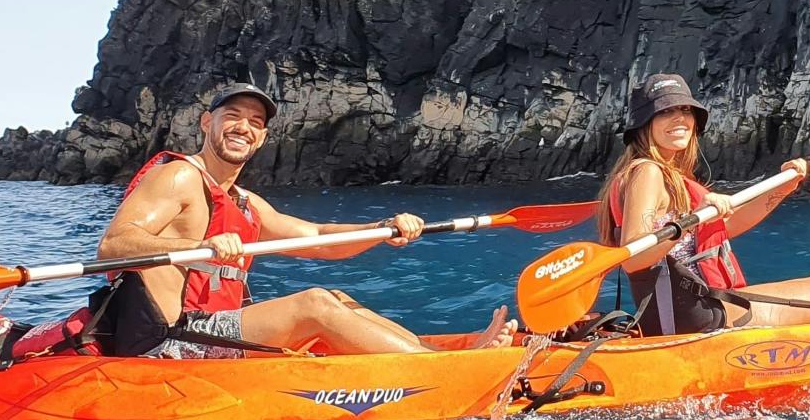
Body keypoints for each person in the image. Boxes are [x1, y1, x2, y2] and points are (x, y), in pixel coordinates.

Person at [95, 82, 518, 358]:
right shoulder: (179, 176)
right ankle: (444, 370)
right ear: (208, 122)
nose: (244, 127)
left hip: (209, 330)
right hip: (168, 341)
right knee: (312, 303)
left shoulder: (244, 202)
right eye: (233, 117)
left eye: (256, 123)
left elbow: (317, 238)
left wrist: (384, 229)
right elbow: (115, 244)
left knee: (335, 298)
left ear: (262, 138)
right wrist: (199, 248)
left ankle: (434, 356)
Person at [600, 73, 810, 336]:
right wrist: (691, 219)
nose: (680, 119)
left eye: (685, 110)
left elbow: (725, 228)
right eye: (666, 112)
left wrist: (784, 188)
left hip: (695, 308)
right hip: (692, 317)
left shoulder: (664, 175)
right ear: (644, 126)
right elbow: (635, 256)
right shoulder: (647, 171)